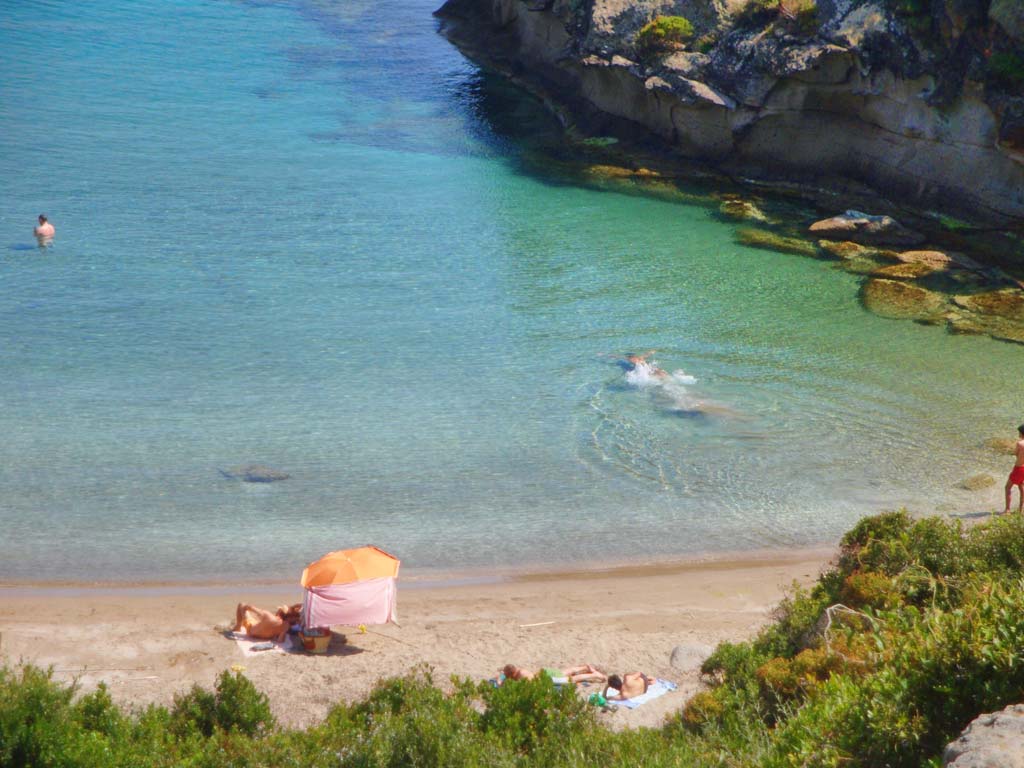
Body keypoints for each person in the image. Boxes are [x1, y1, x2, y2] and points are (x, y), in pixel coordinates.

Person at [232, 602, 302, 642]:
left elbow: (248, 607)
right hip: (266, 637)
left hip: (251, 631)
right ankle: (241, 624)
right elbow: (280, 641)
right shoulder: (285, 627)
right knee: (260, 622)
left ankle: (238, 626)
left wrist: (244, 615)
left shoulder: (268, 615)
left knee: (241, 604)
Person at [500, 663, 607, 685]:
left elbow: (531, 685)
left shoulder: (523, 676)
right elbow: (502, 677)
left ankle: (596, 675)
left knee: (572, 679)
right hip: (545, 673)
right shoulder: (519, 670)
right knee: (565, 672)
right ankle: (585, 667)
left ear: (512, 673)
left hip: (548, 678)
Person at [1004, 424, 1024, 515]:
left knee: (1007, 487)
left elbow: (1015, 453)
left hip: (1018, 468)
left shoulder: (1020, 443)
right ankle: (1021, 510)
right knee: (1021, 488)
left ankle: (1007, 510)